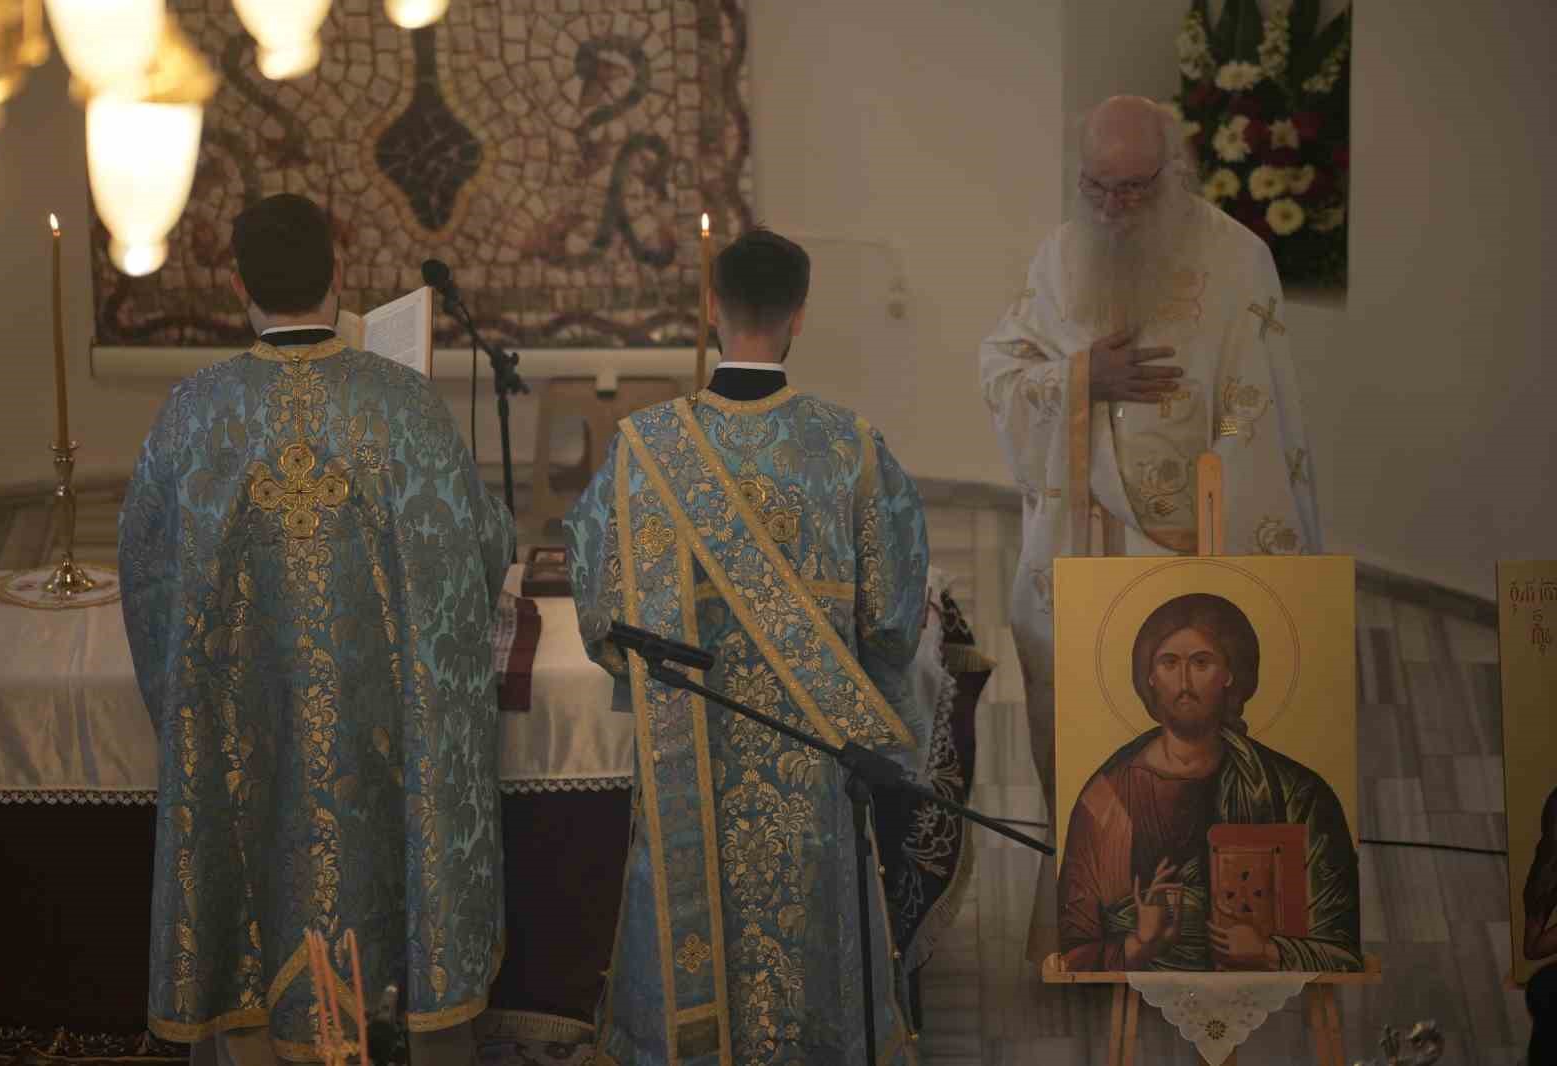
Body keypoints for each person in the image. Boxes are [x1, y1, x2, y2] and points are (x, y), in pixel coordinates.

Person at [119, 193, 515, 1066]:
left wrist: (192, 714)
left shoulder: (196, 414)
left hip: (246, 742)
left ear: (236, 286)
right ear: (340, 277)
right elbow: (475, 552)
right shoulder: (403, 407)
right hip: (381, 744)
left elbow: (147, 583)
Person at [565, 228, 930, 1064]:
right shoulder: (851, 447)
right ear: (800, 315)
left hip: (689, 762)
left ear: (711, 308)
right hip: (817, 767)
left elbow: (602, 615)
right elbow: (893, 621)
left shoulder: (640, 448)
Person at [977, 95, 1322, 954]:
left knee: (1191, 757)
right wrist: (1084, 377)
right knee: (1087, 755)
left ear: (1173, 175)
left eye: (1131, 190)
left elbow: (1258, 418)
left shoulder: (1239, 264)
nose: (1112, 209)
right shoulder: (1062, 256)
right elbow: (1003, 368)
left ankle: (1202, 936)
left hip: (1192, 563)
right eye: (1096, 187)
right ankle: (1093, 924)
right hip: (1080, 551)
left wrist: (1219, 568)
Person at [1056, 593, 1359, 972]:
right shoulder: (1107, 798)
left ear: (1230, 673)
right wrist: (1138, 947)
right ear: (1149, 675)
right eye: (1169, 663)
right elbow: (1075, 948)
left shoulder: (1296, 793)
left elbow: (1341, 949)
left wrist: (1269, 953)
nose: (1184, 682)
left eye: (1201, 663)